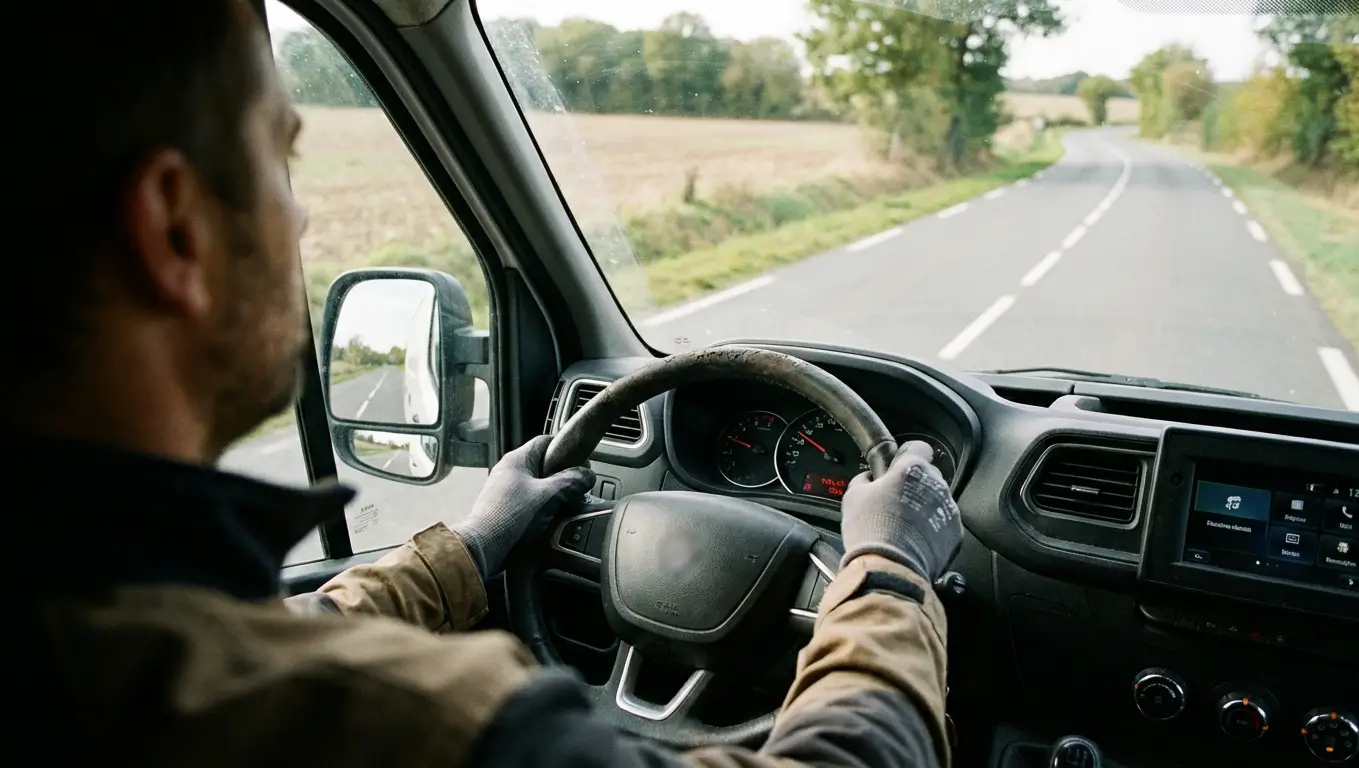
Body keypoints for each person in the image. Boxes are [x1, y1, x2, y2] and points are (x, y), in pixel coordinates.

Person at [9, 2, 966, 765]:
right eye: (281, 157)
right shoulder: (422, 725)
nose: (298, 220)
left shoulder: (119, 643)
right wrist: (887, 573)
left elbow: (287, 630)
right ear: (176, 227)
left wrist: (472, 544)